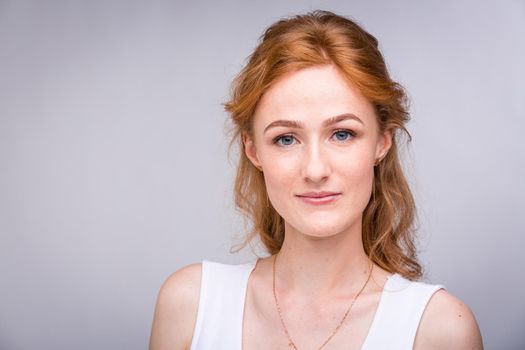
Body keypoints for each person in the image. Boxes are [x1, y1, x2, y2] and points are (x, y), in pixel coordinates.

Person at [149, 10, 483, 350]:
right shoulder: (189, 306)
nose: (314, 170)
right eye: (285, 138)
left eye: (342, 134)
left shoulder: (439, 330)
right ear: (254, 152)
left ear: (382, 142)